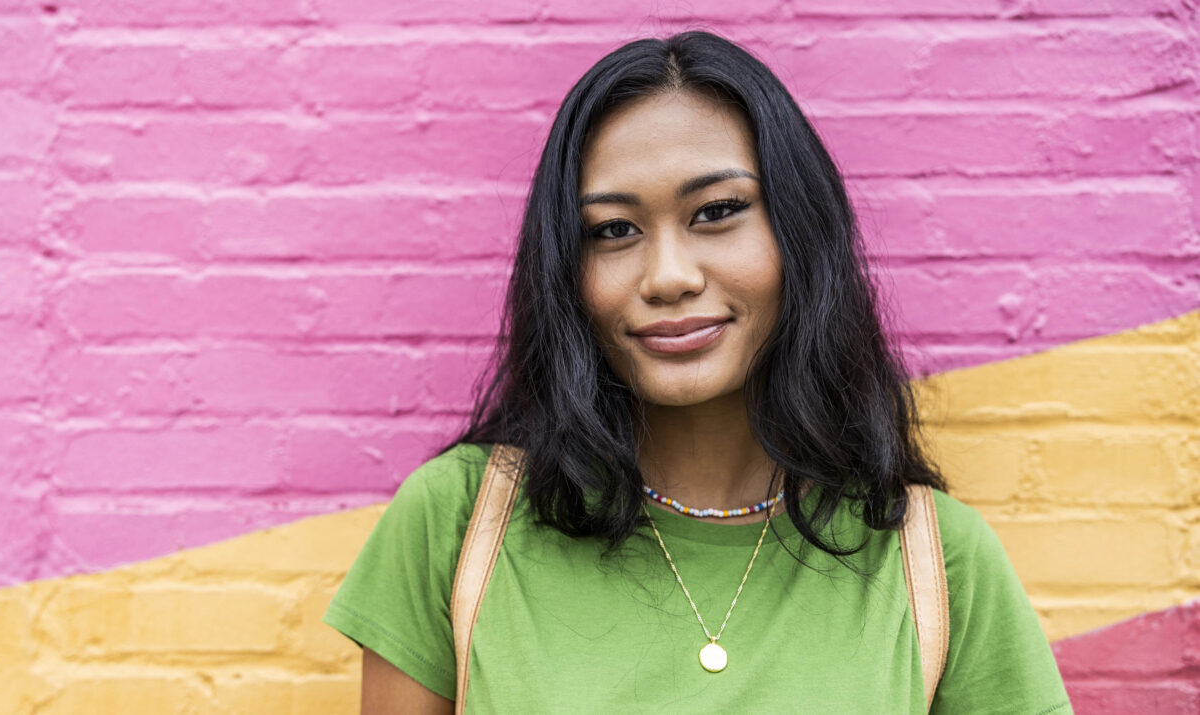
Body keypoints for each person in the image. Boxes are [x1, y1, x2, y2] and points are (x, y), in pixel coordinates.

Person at [322, 30, 1072, 714]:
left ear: (797, 232)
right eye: (614, 230)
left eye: (716, 212)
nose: (669, 276)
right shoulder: (457, 523)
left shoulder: (932, 558)